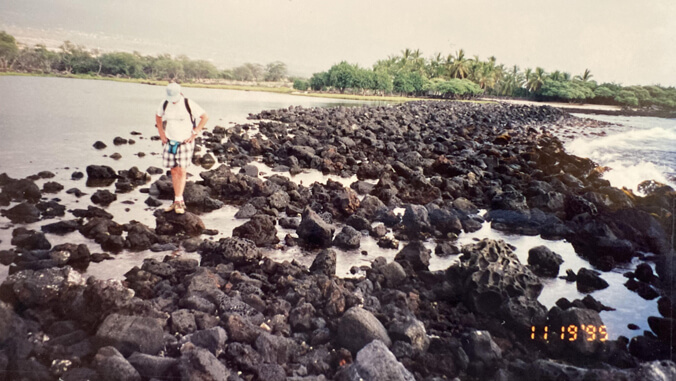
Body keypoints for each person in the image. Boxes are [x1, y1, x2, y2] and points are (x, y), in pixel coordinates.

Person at [155, 82, 208, 214]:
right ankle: (176, 200)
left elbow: (205, 117)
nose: (172, 101)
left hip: (185, 142)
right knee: (173, 170)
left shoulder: (188, 103)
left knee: (182, 170)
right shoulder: (164, 103)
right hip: (169, 142)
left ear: (180, 93)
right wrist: (161, 133)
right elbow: (158, 116)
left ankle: (179, 201)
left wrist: (195, 132)